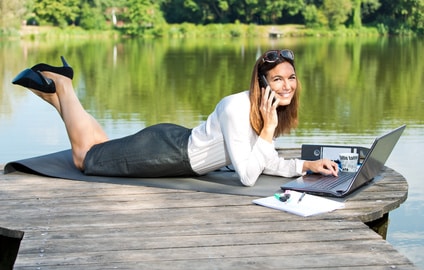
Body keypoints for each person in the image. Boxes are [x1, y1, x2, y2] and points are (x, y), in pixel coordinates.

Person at [12, 49, 338, 186]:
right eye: (277, 79)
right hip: (168, 153)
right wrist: (267, 132)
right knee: (87, 158)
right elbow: (248, 176)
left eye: (291, 78)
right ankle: (63, 85)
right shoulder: (235, 108)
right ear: (262, 82)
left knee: (101, 146)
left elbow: (261, 159)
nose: (286, 86)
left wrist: (303, 166)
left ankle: (54, 95)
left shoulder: (266, 110)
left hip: (171, 145)